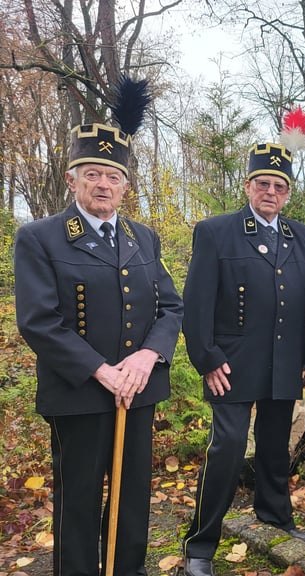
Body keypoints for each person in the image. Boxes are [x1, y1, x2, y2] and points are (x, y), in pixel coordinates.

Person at [14, 78, 184, 576]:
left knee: (133, 499)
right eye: (92, 174)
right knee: (80, 501)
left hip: (138, 390)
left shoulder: (143, 238)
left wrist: (147, 356)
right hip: (80, 394)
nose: (103, 184)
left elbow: (170, 308)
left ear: (126, 185)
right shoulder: (42, 238)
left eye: (113, 176)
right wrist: (101, 371)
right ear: (72, 180)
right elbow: (38, 321)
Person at [181, 141, 305, 576]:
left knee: (276, 446)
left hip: (285, 361)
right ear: (247, 186)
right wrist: (205, 359)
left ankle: (275, 514)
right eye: (262, 183)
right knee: (226, 448)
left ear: (288, 193)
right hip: (231, 364)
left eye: (279, 186)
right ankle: (200, 544)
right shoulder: (216, 232)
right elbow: (197, 303)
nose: (270, 192)